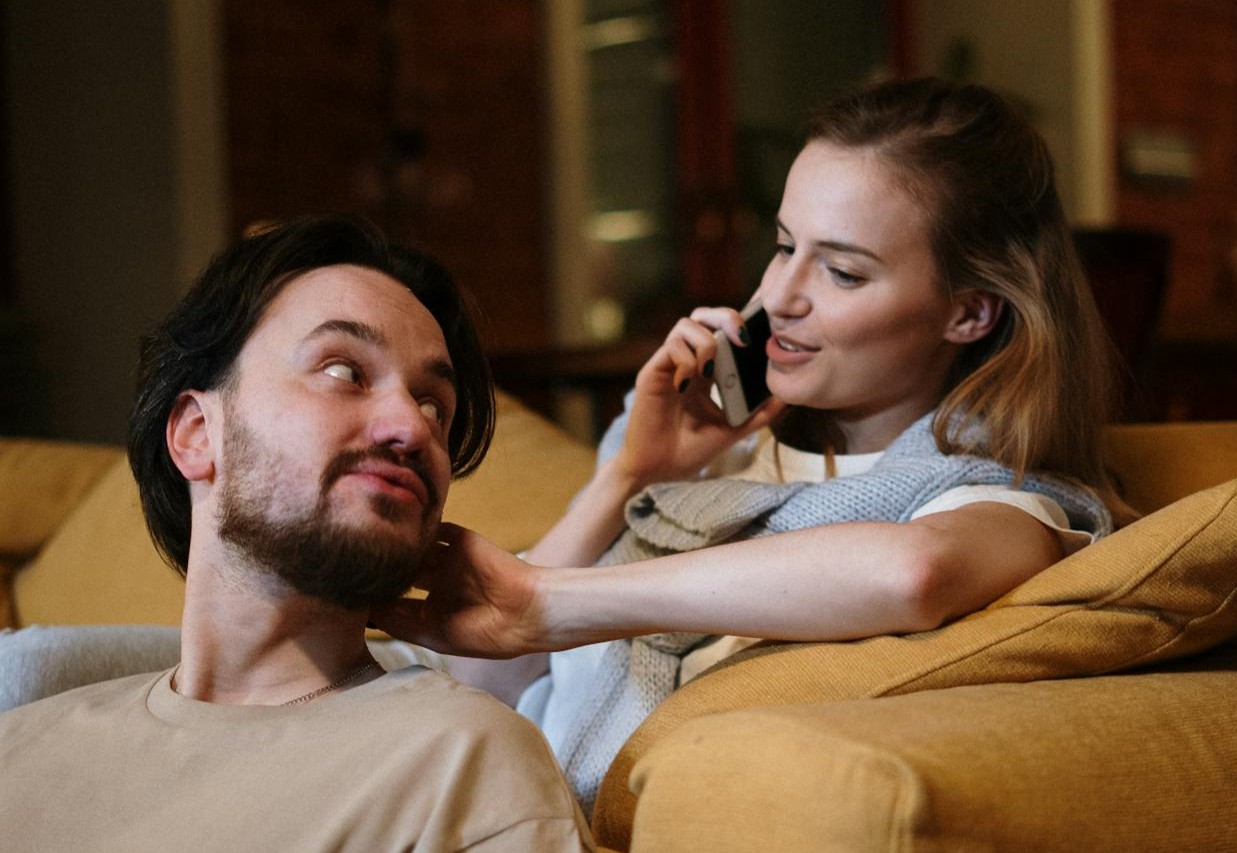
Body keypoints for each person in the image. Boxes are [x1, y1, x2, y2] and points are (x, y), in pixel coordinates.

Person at [371, 77, 1130, 811]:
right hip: (467, 769)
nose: (780, 296)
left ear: (968, 312)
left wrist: (556, 603)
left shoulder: (981, 494)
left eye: (841, 270)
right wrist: (628, 475)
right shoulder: (709, 460)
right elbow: (477, 675)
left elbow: (914, 570)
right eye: (782, 245)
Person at [0, 215, 594, 852]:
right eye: (344, 372)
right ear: (197, 434)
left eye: (433, 407)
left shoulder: (463, 762)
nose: (412, 428)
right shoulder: (21, 747)